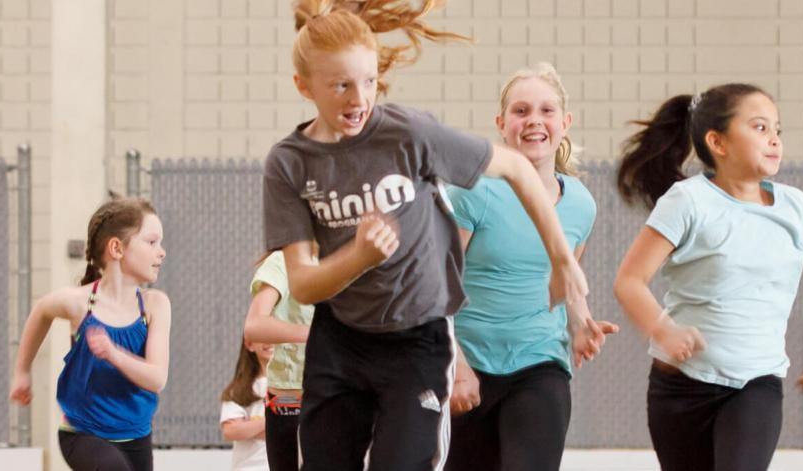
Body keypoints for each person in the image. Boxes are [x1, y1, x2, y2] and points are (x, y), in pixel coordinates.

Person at [262, 1, 589, 470]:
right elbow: (303, 285)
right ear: (304, 86)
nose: (359, 99)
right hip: (340, 339)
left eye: (369, 81)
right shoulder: (289, 163)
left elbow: (517, 168)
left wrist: (562, 259)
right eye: (341, 85)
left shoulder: (408, 134)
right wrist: (359, 256)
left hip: (415, 338)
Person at [612, 83, 803, 471]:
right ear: (718, 142)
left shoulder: (796, 209)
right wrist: (663, 330)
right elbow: (629, 280)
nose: (774, 139)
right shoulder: (688, 201)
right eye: (760, 127)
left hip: (756, 385)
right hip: (681, 387)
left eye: (777, 129)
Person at [444, 62, 618, 471]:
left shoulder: (581, 204)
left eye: (546, 110)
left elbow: (565, 279)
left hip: (540, 364)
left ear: (565, 123)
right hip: (469, 367)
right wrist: (455, 364)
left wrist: (580, 324)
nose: (534, 120)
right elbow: (436, 288)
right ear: (502, 124)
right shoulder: (472, 192)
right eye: (521, 111)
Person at [9, 197, 170, 471]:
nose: (162, 252)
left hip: (136, 436)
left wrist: (114, 354)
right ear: (117, 248)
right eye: (152, 242)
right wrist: (22, 372)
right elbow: (42, 311)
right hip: (82, 433)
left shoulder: (155, 305)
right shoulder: (80, 304)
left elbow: (157, 379)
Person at [243, 249, 315, 471]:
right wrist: (316, 334)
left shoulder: (348, 256)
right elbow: (254, 325)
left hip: (336, 392)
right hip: (289, 398)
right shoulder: (282, 261)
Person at [219, 340, 273, 471]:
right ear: (250, 344)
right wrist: (274, 421)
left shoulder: (298, 386)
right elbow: (230, 431)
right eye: (263, 336)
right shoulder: (239, 389)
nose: (270, 341)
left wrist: (249, 427)